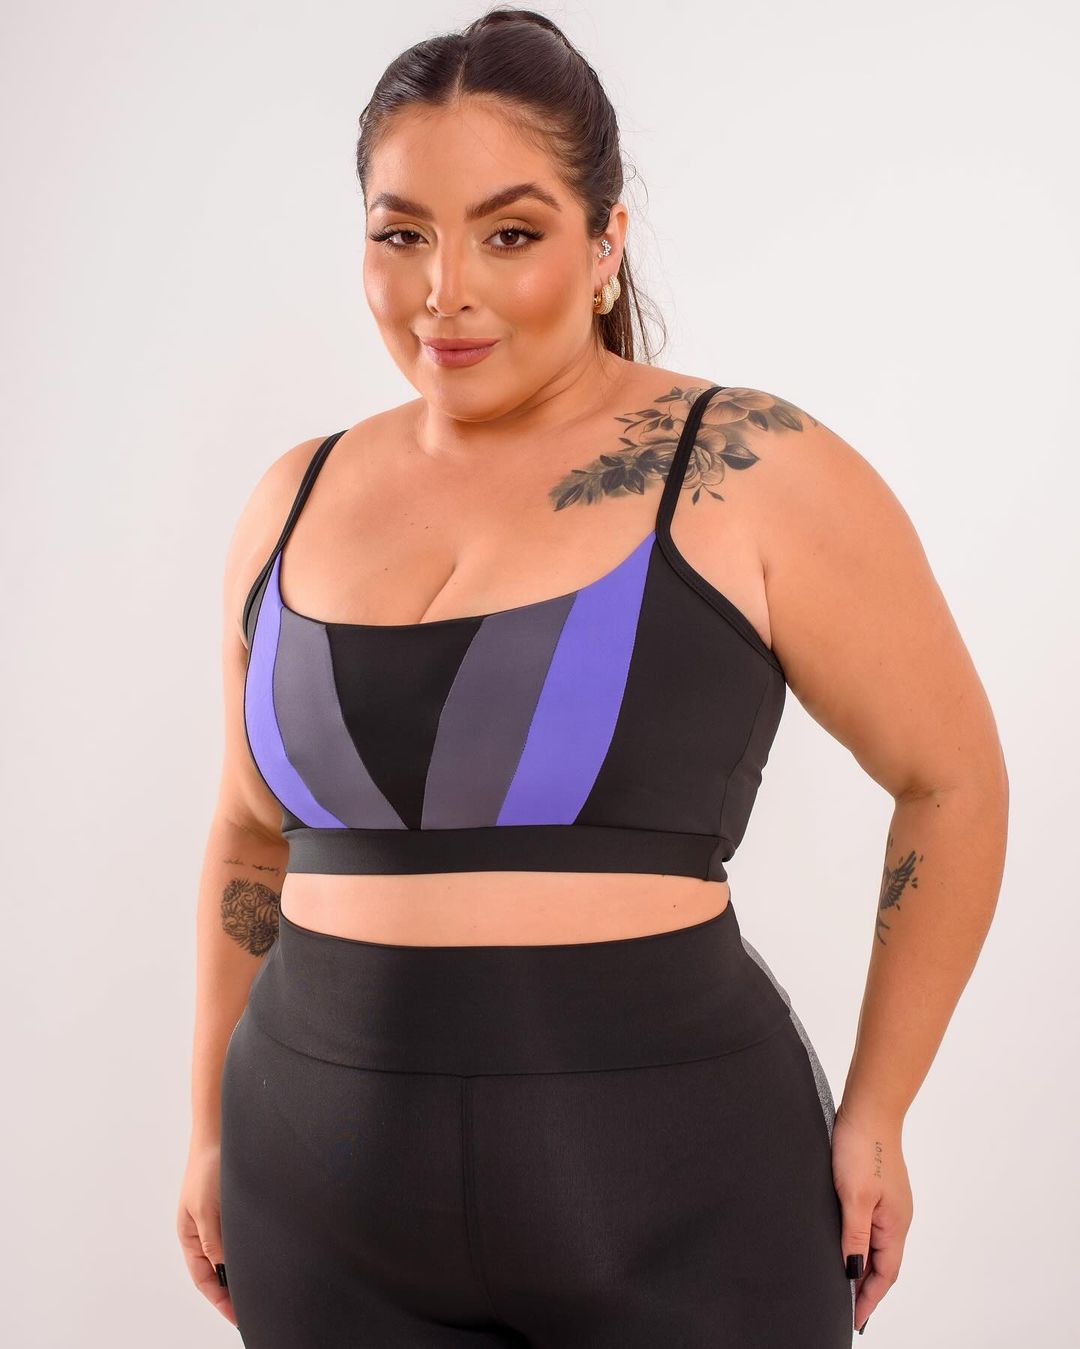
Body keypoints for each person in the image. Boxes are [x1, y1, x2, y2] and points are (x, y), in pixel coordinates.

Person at [175, 8, 1009, 1346]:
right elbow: (245, 835)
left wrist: (879, 1110)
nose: (445, 289)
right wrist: (207, 1129)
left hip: (677, 1194)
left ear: (607, 240)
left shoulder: (748, 467)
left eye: (509, 234)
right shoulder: (295, 495)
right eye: (402, 234)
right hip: (317, 1203)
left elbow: (952, 780)